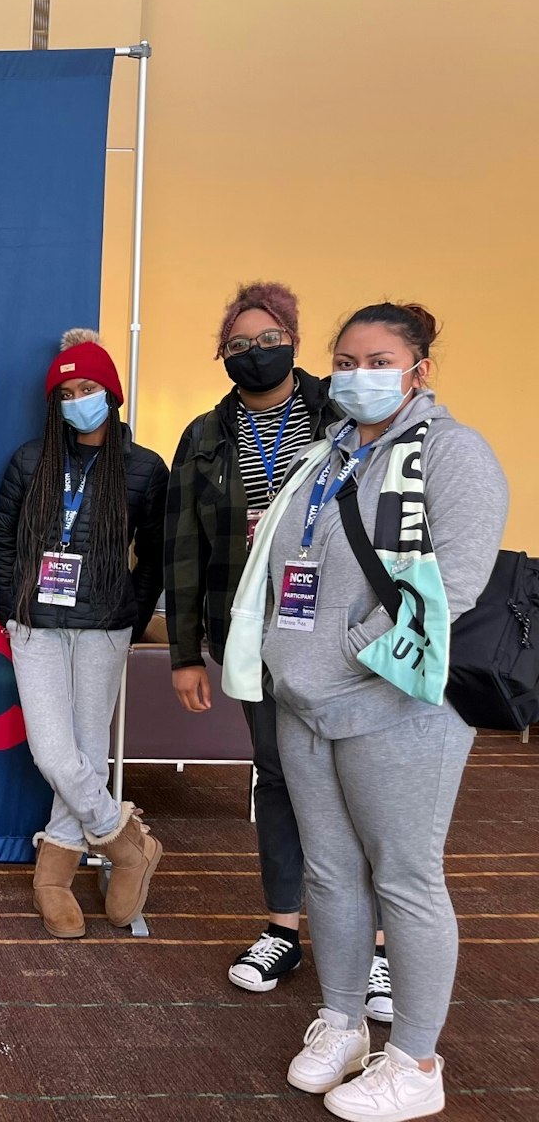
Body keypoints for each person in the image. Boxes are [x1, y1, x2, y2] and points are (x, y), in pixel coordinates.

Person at [223, 303, 506, 1120]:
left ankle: (415, 1061)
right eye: (346, 360)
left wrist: (350, 657)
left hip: (397, 705)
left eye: (378, 359)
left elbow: (453, 583)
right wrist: (288, 657)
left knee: (407, 879)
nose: (357, 374)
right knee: (330, 874)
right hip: (304, 702)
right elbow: (288, 566)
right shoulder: (329, 457)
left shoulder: (452, 454)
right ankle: (342, 1020)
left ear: (418, 368)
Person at [163, 282, 392, 1012]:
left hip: (345, 635)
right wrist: (184, 653)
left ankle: (381, 951)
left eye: (267, 340)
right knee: (280, 777)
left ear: (293, 340)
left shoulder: (345, 413)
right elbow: (183, 552)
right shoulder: (203, 435)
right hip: (253, 634)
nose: (255, 353)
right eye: (238, 345)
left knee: (361, 781)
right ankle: (283, 929)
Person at [0, 328, 169, 938]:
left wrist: (130, 614)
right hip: (36, 624)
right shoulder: (30, 460)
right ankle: (127, 842)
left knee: (88, 751)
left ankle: (54, 876)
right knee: (53, 752)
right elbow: (4, 538)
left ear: (111, 393)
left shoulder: (144, 468)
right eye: (66, 391)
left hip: (103, 627)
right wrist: (10, 611)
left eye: (88, 387)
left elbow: (157, 553)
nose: (77, 399)